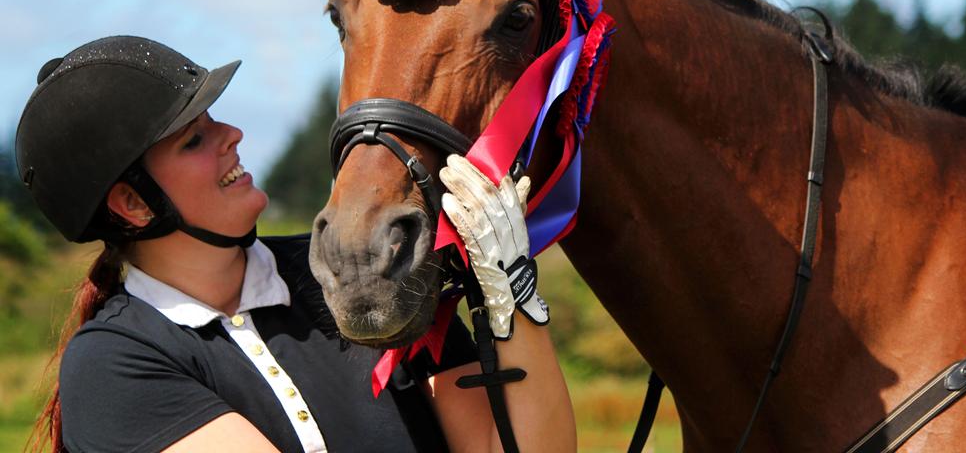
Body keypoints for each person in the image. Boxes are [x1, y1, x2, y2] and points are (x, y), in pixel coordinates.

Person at [17, 35, 575, 453]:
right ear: (133, 204)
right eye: (194, 139)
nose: (232, 135)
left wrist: (513, 299)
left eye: (215, 121)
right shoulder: (114, 365)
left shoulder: (355, 273)